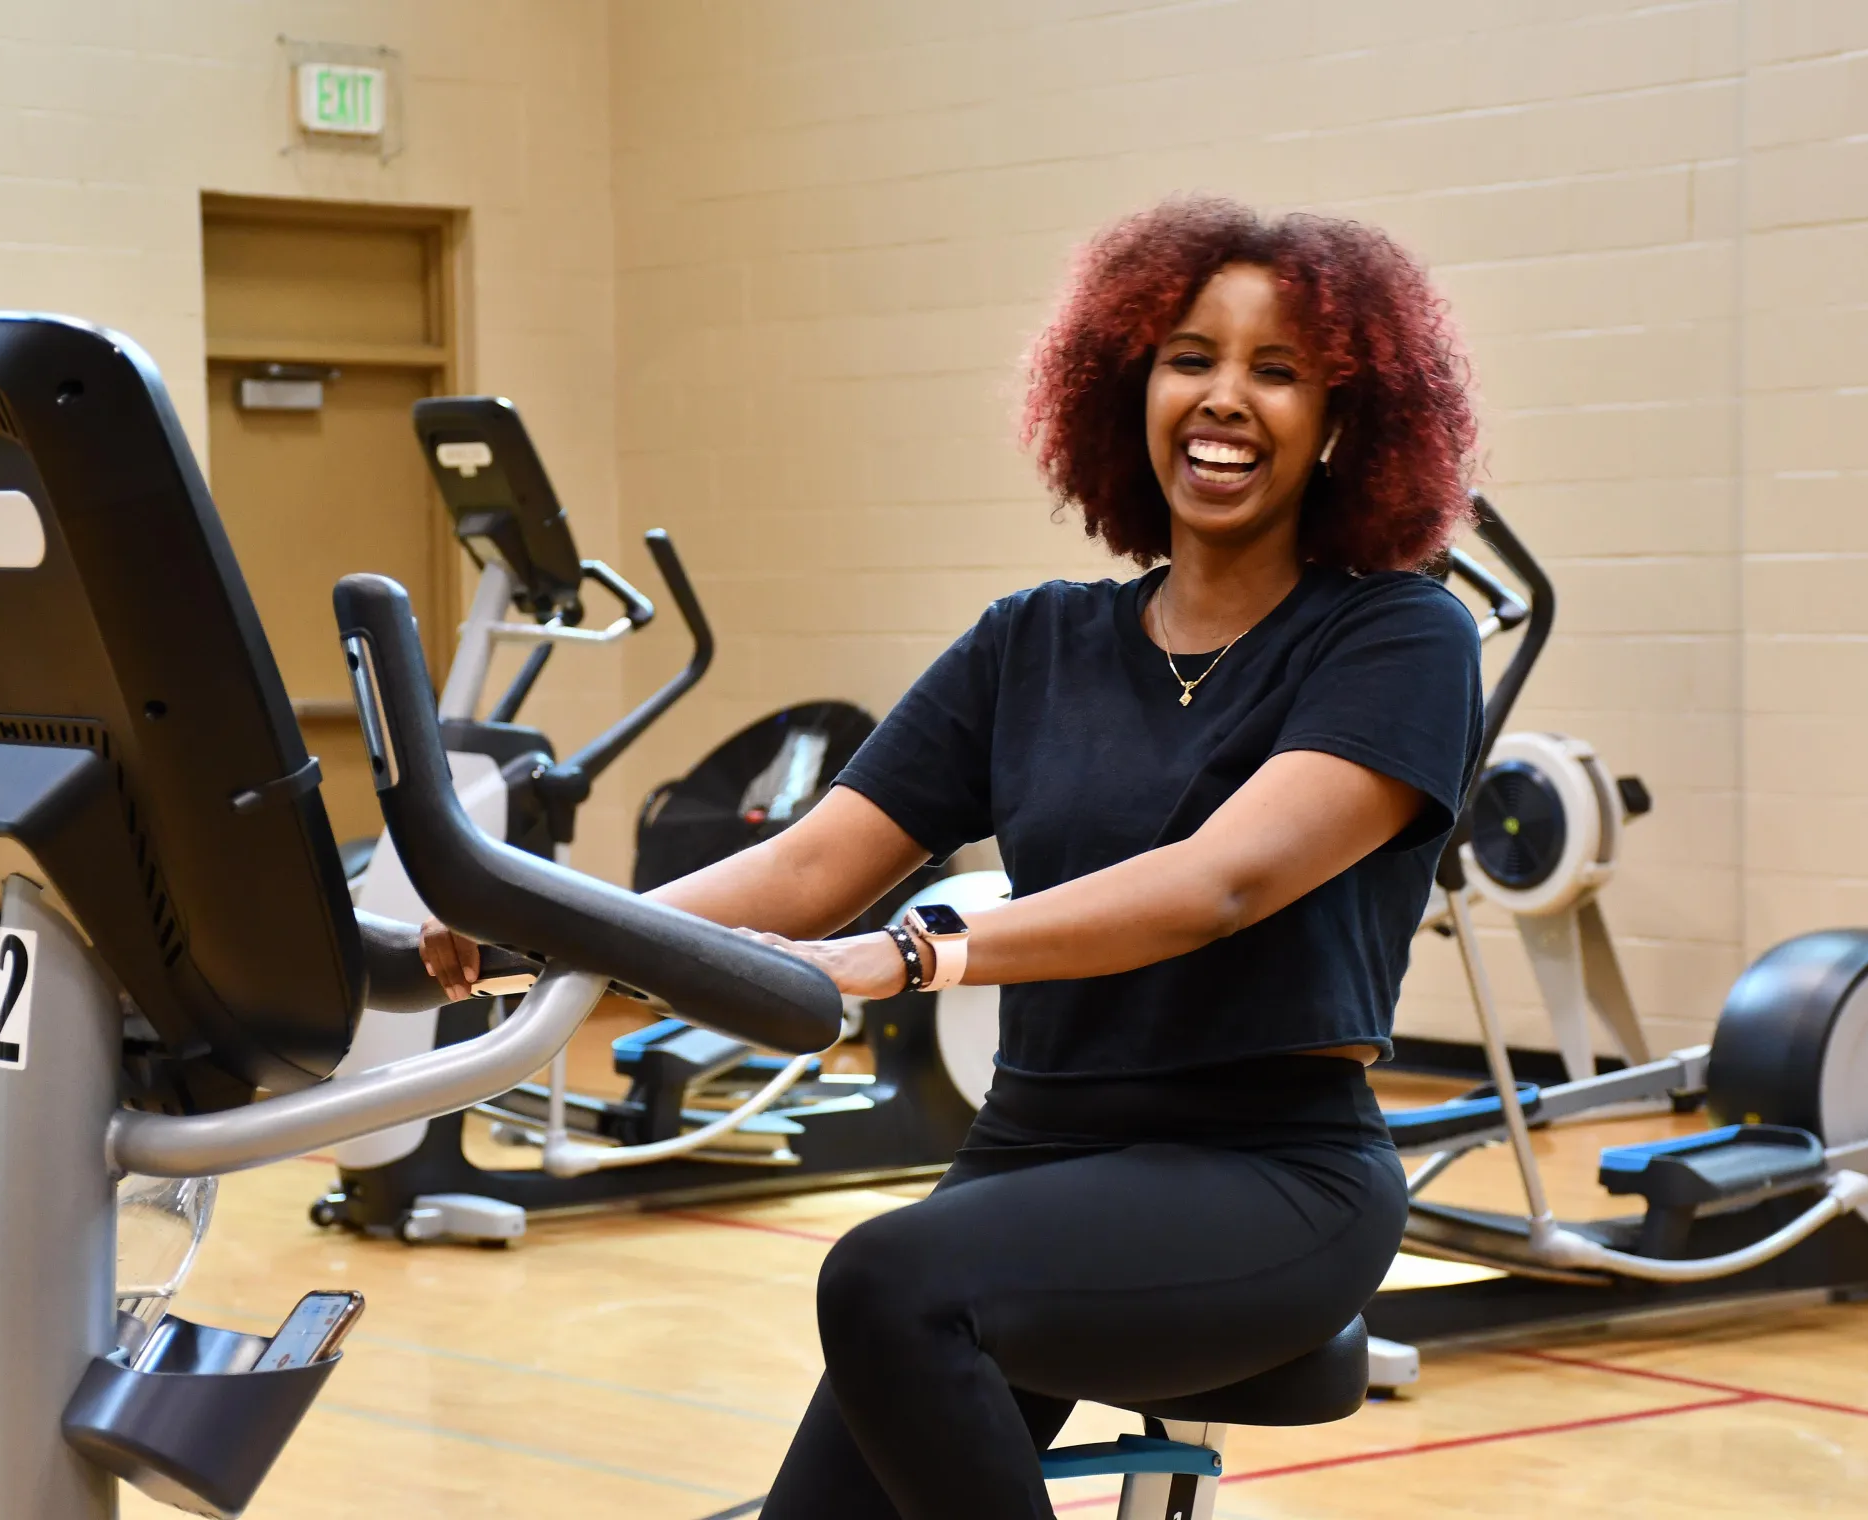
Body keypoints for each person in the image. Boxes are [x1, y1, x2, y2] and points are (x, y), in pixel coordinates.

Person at [424, 195, 1484, 1520]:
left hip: (1266, 1172)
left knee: (885, 1278)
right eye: (1190, 357)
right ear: (1127, 384)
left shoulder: (1399, 639)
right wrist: (544, 926)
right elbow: (809, 871)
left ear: (1347, 421)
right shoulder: (1032, 639)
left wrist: (912, 954)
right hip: (1034, 1150)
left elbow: (1225, 881)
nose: (1225, 399)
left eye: (1279, 371)